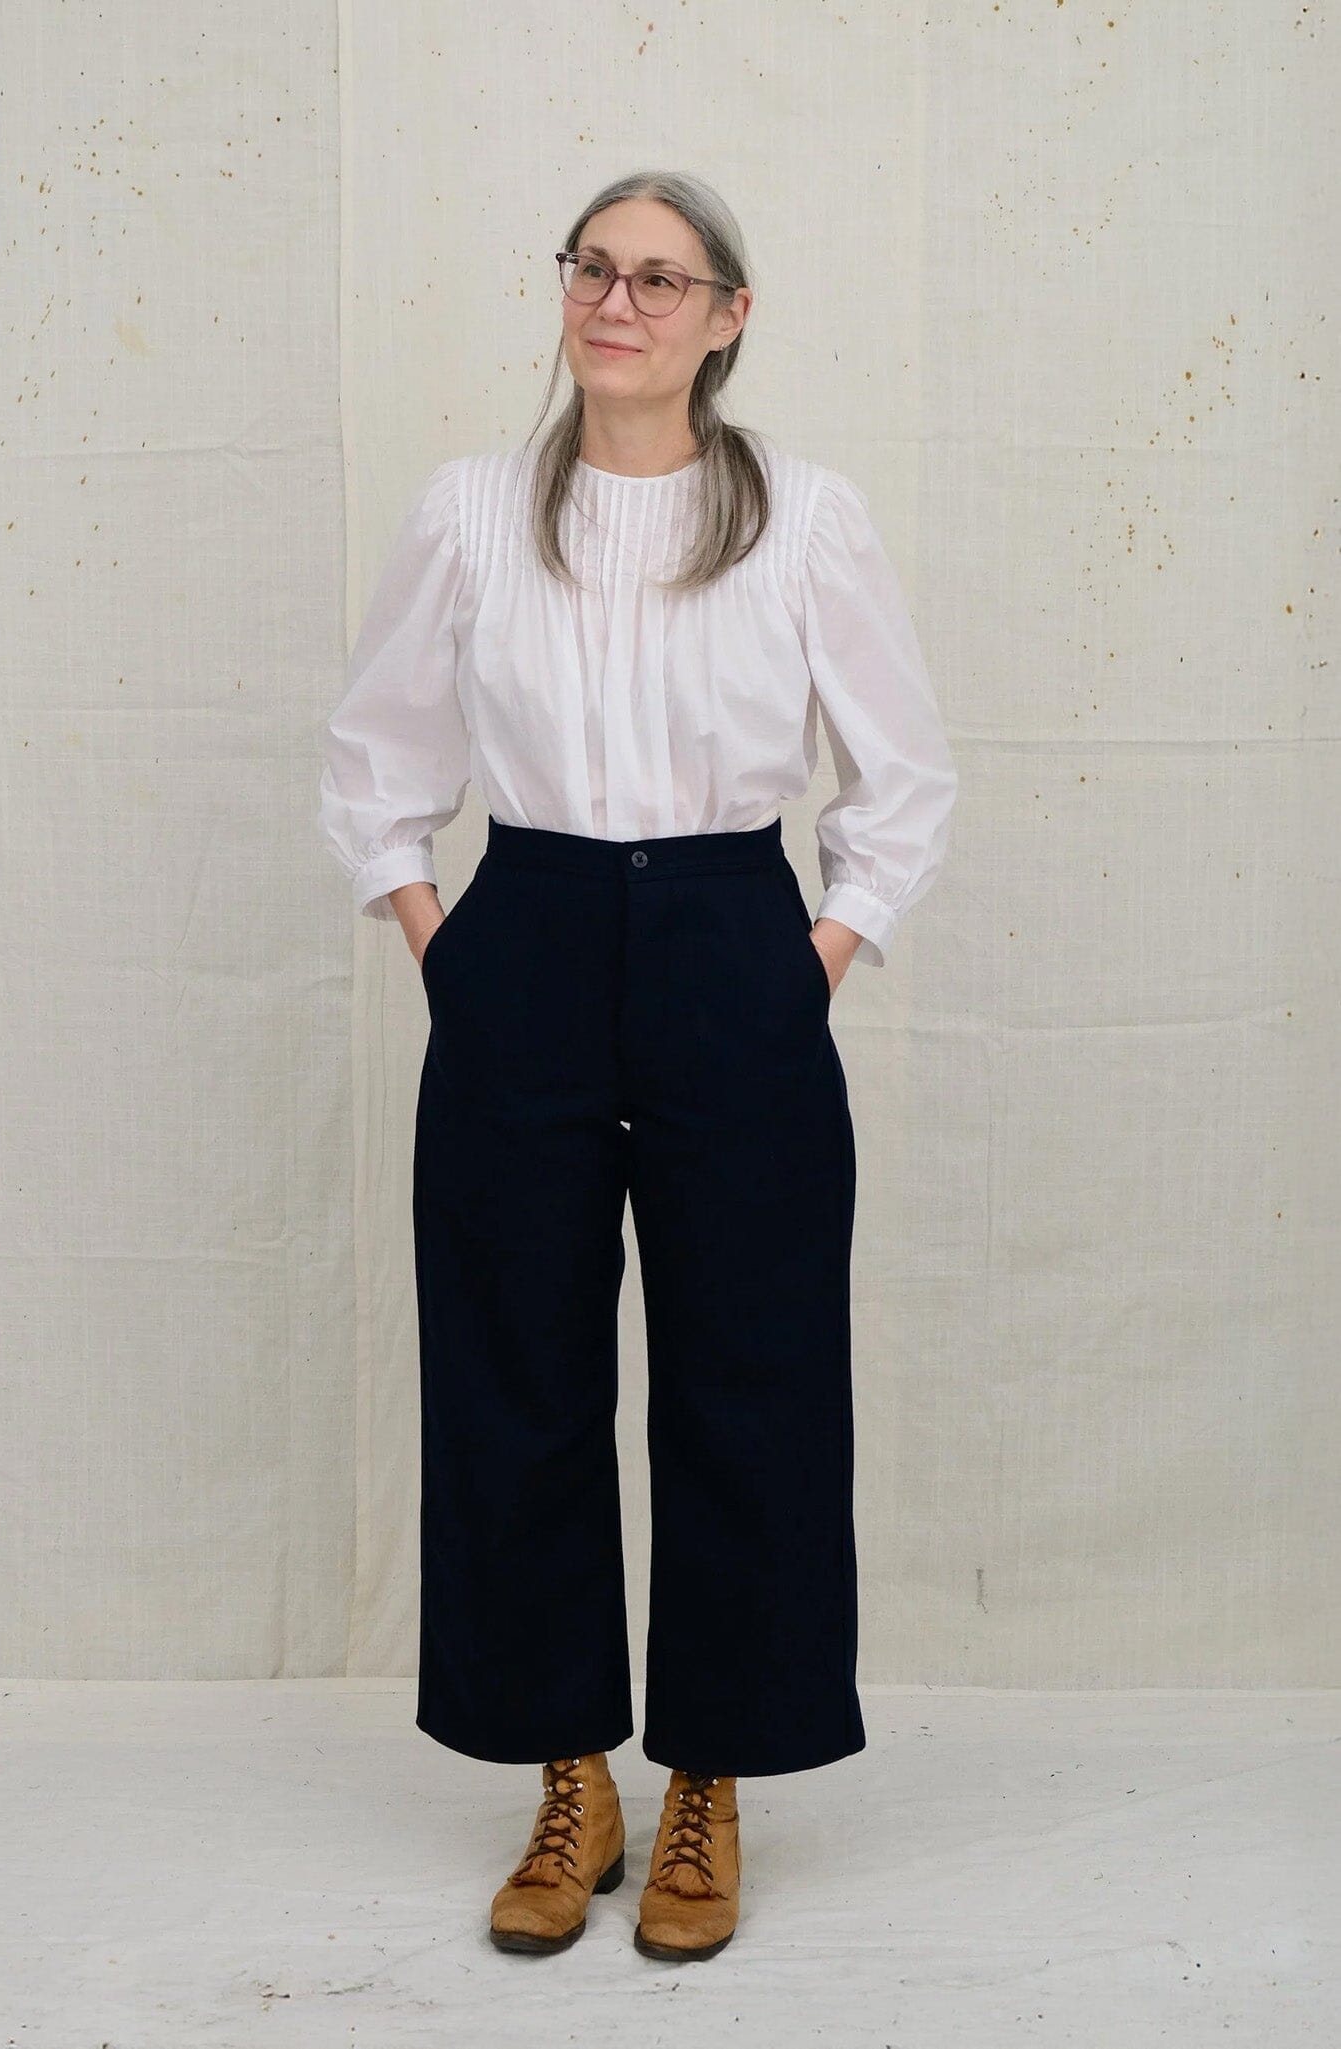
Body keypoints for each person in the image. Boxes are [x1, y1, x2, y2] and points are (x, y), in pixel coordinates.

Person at [317, 170, 959, 1964]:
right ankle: (567, 1773)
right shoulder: (468, 515)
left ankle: (709, 1787)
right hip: (526, 931)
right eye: (594, 268)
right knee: (515, 1372)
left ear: (726, 315)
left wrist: (806, 960)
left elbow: (901, 777)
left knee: (748, 1376)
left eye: (661, 277)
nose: (620, 301)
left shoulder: (805, 520)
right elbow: (377, 757)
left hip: (726, 949)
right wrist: (455, 944)